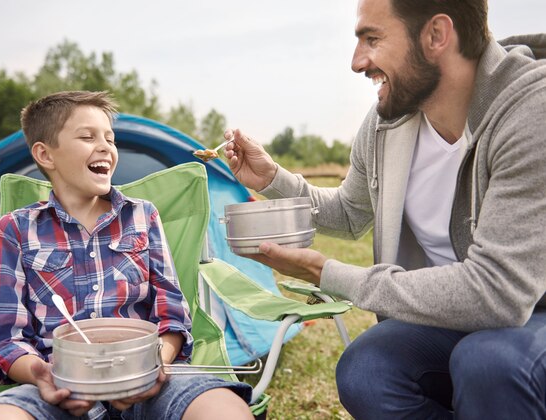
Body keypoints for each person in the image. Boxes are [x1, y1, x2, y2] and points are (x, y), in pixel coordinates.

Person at [223, 0, 546, 418]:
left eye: (372, 39)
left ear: (436, 35)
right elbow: (349, 212)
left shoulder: (530, 111)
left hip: (530, 313)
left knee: (487, 364)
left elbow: (499, 293)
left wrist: (329, 274)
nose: (358, 62)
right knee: (366, 369)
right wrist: (272, 180)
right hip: (456, 317)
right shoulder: (386, 123)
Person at [0, 91, 253, 420]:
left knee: (223, 409)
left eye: (109, 138)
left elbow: (172, 316)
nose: (105, 147)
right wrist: (42, 374)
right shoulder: (15, 229)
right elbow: (5, 340)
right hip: (56, 386)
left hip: (149, 381)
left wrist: (155, 362)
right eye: (87, 137)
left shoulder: (143, 217)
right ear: (45, 155)